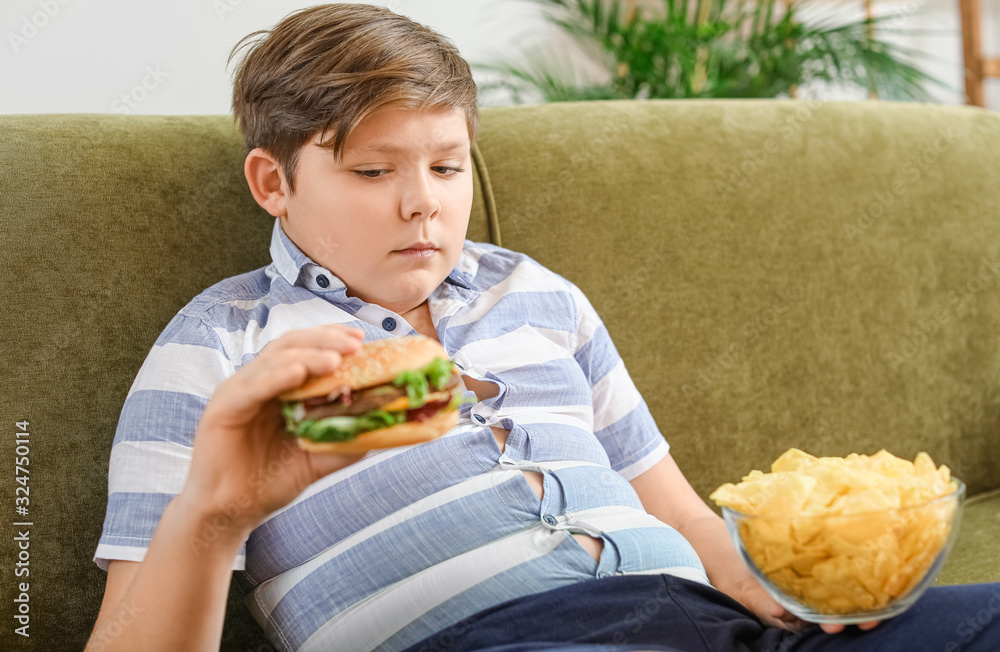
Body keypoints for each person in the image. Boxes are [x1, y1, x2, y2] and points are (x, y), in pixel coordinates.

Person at [87, 4, 999, 652]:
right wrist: (214, 516)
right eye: (372, 172)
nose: (423, 207)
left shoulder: (536, 294)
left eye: (447, 167)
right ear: (272, 183)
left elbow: (676, 509)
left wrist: (791, 595)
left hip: (708, 624)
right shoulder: (221, 346)